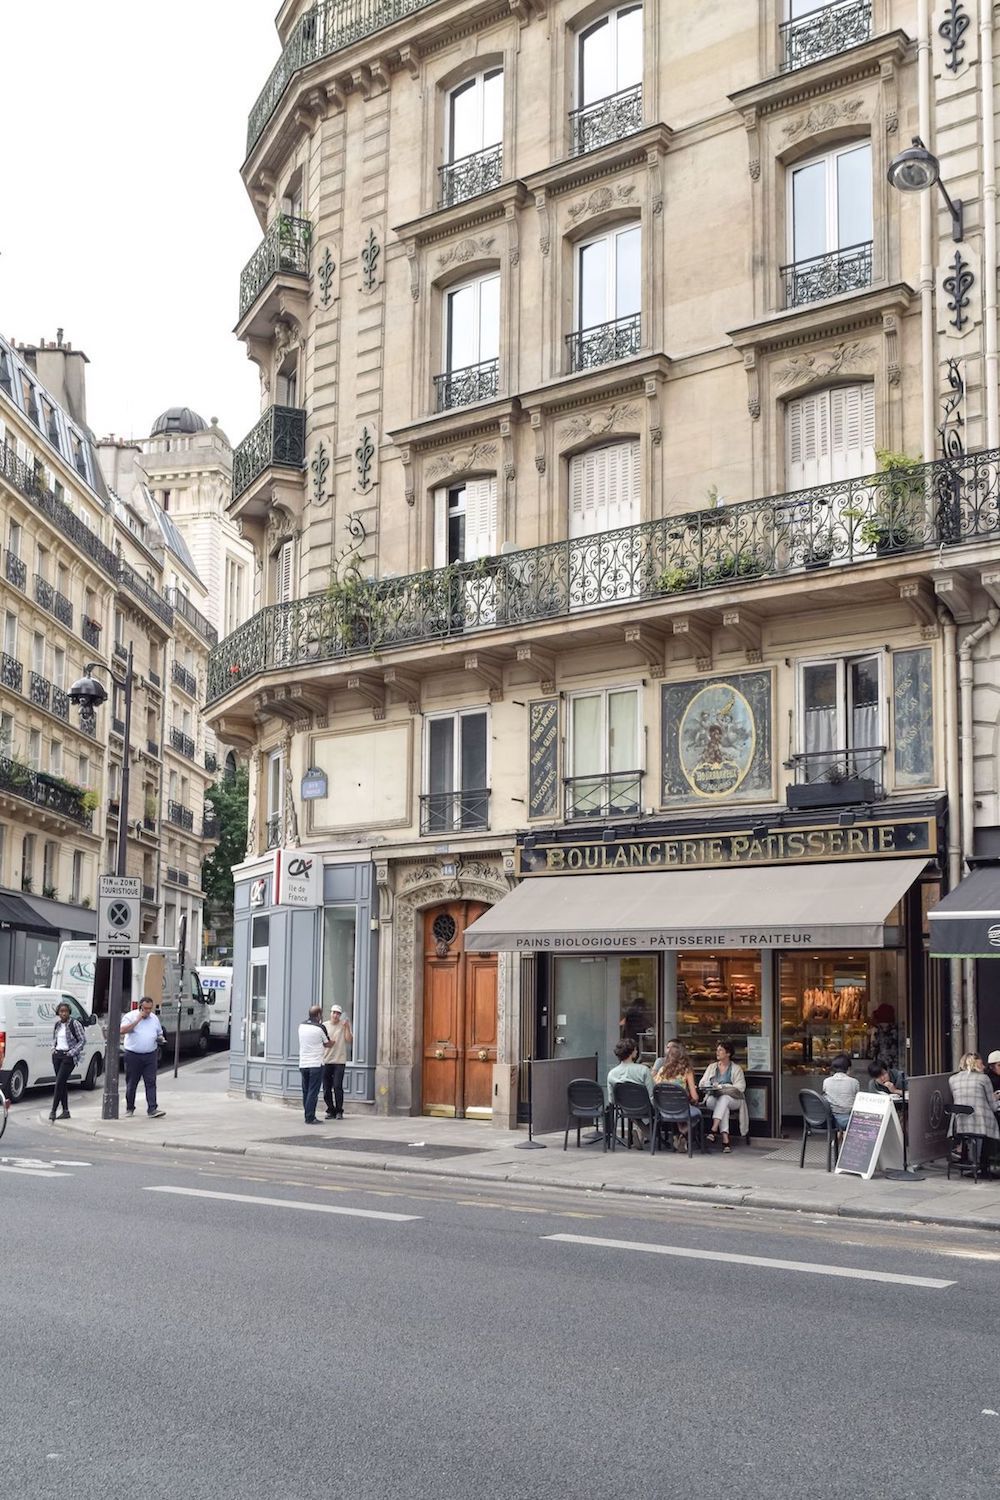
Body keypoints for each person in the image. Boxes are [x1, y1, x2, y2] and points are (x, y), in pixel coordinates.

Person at [698, 1039, 748, 1152]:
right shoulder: (712, 1067)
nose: (717, 1052)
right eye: (717, 1050)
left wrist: (724, 1087)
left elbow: (741, 1087)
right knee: (723, 1106)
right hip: (713, 1099)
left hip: (734, 1099)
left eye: (720, 1050)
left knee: (724, 1098)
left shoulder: (736, 1069)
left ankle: (714, 1130)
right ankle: (725, 1140)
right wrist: (709, 1084)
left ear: (728, 1053)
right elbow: (702, 1083)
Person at [121, 997, 166, 1118]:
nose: (147, 1011)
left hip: (150, 1054)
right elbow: (122, 1030)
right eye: (145, 1009)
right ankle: (130, 1107)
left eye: (149, 1009)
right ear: (140, 1007)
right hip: (133, 1054)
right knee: (132, 1083)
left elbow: (159, 1033)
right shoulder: (130, 1016)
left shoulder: (154, 1018)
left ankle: (152, 1108)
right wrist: (138, 1020)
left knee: (151, 1082)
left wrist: (160, 1039)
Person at [949, 1053, 1000, 1159]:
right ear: (975, 1064)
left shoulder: (952, 1079)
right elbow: (993, 1106)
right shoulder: (983, 1078)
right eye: (981, 1064)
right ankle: (984, 1163)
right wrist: (996, 1099)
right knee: (994, 1122)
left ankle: (968, 1159)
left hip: (959, 1124)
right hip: (979, 1124)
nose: (984, 1067)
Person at [606, 1037, 654, 1148]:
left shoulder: (612, 1073)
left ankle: (642, 1132)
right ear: (632, 1052)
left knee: (634, 1113)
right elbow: (652, 1094)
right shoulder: (643, 1070)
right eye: (636, 1050)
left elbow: (611, 1099)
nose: (637, 1052)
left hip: (625, 1109)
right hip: (646, 1107)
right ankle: (650, 1134)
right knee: (658, 1113)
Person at [653, 1041, 702, 1146]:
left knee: (679, 1110)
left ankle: (678, 1137)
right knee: (697, 1114)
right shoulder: (686, 1070)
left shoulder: (662, 1070)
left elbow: (655, 1087)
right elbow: (694, 1096)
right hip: (681, 1109)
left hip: (663, 1111)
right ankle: (683, 1133)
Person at [49, 1001, 86, 1122]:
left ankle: (53, 1110)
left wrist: (72, 1052)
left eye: (65, 1011)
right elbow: (55, 1039)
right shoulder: (57, 1025)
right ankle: (65, 1111)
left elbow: (82, 1040)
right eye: (61, 1011)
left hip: (68, 1056)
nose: (63, 1013)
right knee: (62, 1083)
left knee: (59, 1082)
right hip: (57, 1055)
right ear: (58, 1013)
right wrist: (53, 1048)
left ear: (69, 1012)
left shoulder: (74, 1024)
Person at [298, 1005, 329, 1124]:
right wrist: (333, 1042)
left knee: (306, 1090)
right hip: (316, 1064)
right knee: (313, 1091)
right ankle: (310, 1117)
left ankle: (307, 1113)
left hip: (303, 1063)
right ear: (319, 1015)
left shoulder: (301, 1026)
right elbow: (327, 1043)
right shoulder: (320, 1027)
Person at [322, 1003, 354, 1119]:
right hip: (326, 1060)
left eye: (338, 1014)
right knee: (326, 1088)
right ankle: (330, 1110)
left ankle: (339, 1110)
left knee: (337, 1086)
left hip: (339, 1060)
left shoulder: (343, 1025)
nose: (335, 1015)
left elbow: (349, 1040)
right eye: (334, 1013)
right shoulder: (324, 1025)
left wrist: (347, 1027)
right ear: (330, 1013)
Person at [822, 1053, 859, 1130]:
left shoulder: (826, 1081)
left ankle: (838, 1138)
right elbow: (857, 1100)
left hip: (830, 1119)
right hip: (847, 1119)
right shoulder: (854, 1082)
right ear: (848, 1068)